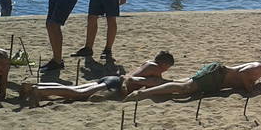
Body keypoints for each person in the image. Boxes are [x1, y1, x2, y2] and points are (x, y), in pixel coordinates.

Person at [20, 50, 175, 106]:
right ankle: (39, 91)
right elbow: (156, 85)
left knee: (76, 89)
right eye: (167, 67)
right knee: (78, 94)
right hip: (115, 84)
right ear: (164, 64)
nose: (166, 70)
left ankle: (36, 87)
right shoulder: (155, 69)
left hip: (112, 78)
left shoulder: (147, 63)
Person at [126, 56, 261, 101]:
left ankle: (138, 81)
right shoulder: (259, 68)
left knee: (177, 83)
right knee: (183, 89)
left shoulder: (258, 69)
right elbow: (244, 74)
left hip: (216, 74)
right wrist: (250, 89)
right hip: (216, 76)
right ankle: (142, 94)